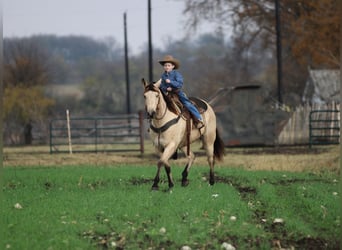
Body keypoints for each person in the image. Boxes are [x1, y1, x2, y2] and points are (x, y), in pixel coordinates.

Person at [157, 55, 204, 129]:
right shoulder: (163, 76)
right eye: (165, 65)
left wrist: (171, 82)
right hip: (167, 93)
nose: (167, 67)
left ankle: (199, 118)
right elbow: (162, 85)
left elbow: (179, 84)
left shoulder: (176, 74)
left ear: (173, 66)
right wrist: (166, 88)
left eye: (168, 65)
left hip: (177, 93)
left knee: (187, 104)